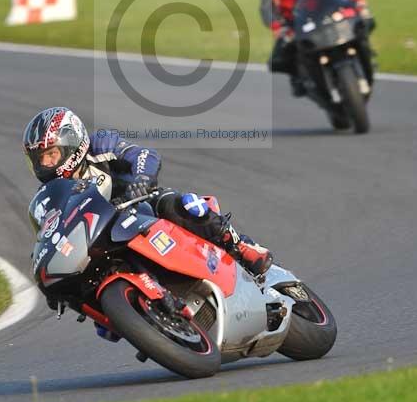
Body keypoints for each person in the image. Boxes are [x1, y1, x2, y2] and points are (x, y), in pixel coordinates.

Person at [24, 107, 273, 288]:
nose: (44, 163)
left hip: (139, 206)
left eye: (51, 154)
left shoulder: (99, 146)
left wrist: (141, 180)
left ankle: (240, 246)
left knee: (180, 204)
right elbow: (49, 231)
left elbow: (143, 154)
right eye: (39, 158)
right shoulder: (50, 195)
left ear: (71, 143)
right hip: (104, 239)